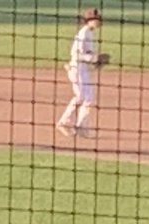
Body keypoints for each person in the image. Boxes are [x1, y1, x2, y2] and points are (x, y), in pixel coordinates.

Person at [56, 8, 110, 139]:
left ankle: (78, 127)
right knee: (83, 97)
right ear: (89, 20)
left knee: (85, 97)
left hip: (82, 70)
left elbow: (88, 54)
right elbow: (78, 54)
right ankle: (67, 124)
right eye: (95, 19)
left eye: (98, 19)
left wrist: (96, 61)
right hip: (77, 69)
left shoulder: (89, 33)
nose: (98, 21)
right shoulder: (84, 33)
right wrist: (94, 58)